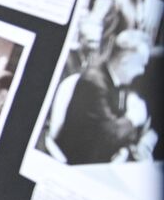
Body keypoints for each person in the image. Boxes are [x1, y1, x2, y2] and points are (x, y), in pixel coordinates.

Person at [54, 30, 152, 165]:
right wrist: (133, 119)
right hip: (80, 163)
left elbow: (118, 130)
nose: (142, 71)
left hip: (102, 158)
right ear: (125, 61)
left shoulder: (119, 83)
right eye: (141, 64)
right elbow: (106, 136)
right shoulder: (93, 83)